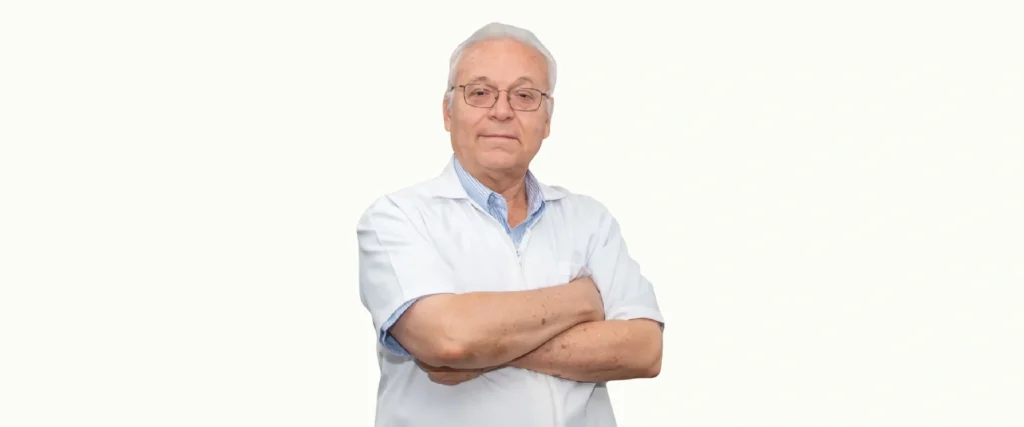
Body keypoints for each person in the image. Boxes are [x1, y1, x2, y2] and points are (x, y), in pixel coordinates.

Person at [356, 22, 665, 427]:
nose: (501, 111)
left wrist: (483, 350)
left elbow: (645, 350)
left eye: (524, 95)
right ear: (448, 113)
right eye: (480, 92)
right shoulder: (397, 218)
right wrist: (581, 301)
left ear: (547, 121)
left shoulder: (590, 221)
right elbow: (448, 339)